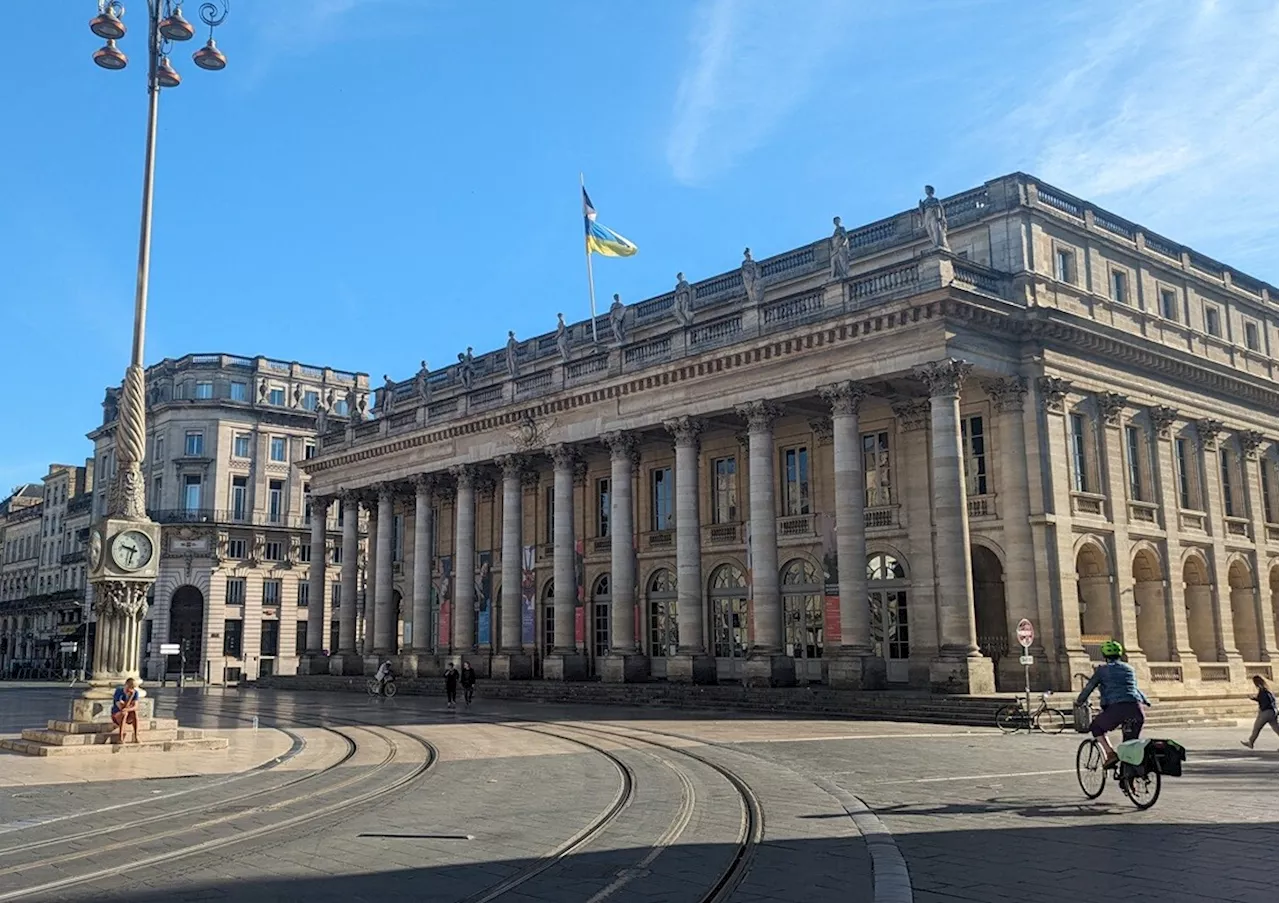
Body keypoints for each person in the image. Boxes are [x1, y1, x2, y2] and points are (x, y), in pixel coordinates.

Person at [1075, 640, 1150, 766]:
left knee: (1096, 727)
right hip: (1136, 708)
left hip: (1116, 709)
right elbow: (1133, 688)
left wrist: (1079, 701)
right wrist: (1146, 701)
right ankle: (1129, 780)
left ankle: (1110, 753)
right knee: (1129, 744)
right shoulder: (1129, 669)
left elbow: (1089, 687)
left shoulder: (1102, 670)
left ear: (1104, 656)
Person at [1241, 674, 1278, 749]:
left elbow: (1262, 701)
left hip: (1265, 712)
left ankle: (1250, 742)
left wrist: (1254, 698)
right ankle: (1250, 742)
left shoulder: (1262, 690)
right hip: (1273, 711)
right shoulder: (1268, 689)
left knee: (1256, 728)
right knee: (1277, 728)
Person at [112, 677, 141, 744]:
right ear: (126, 685)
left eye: (133, 687)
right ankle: (120, 738)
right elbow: (121, 708)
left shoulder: (135, 693)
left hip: (128, 713)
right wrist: (130, 698)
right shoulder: (119, 691)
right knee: (124, 714)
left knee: (134, 713)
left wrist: (128, 709)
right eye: (130, 687)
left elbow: (136, 706)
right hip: (117, 714)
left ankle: (136, 736)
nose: (131, 689)